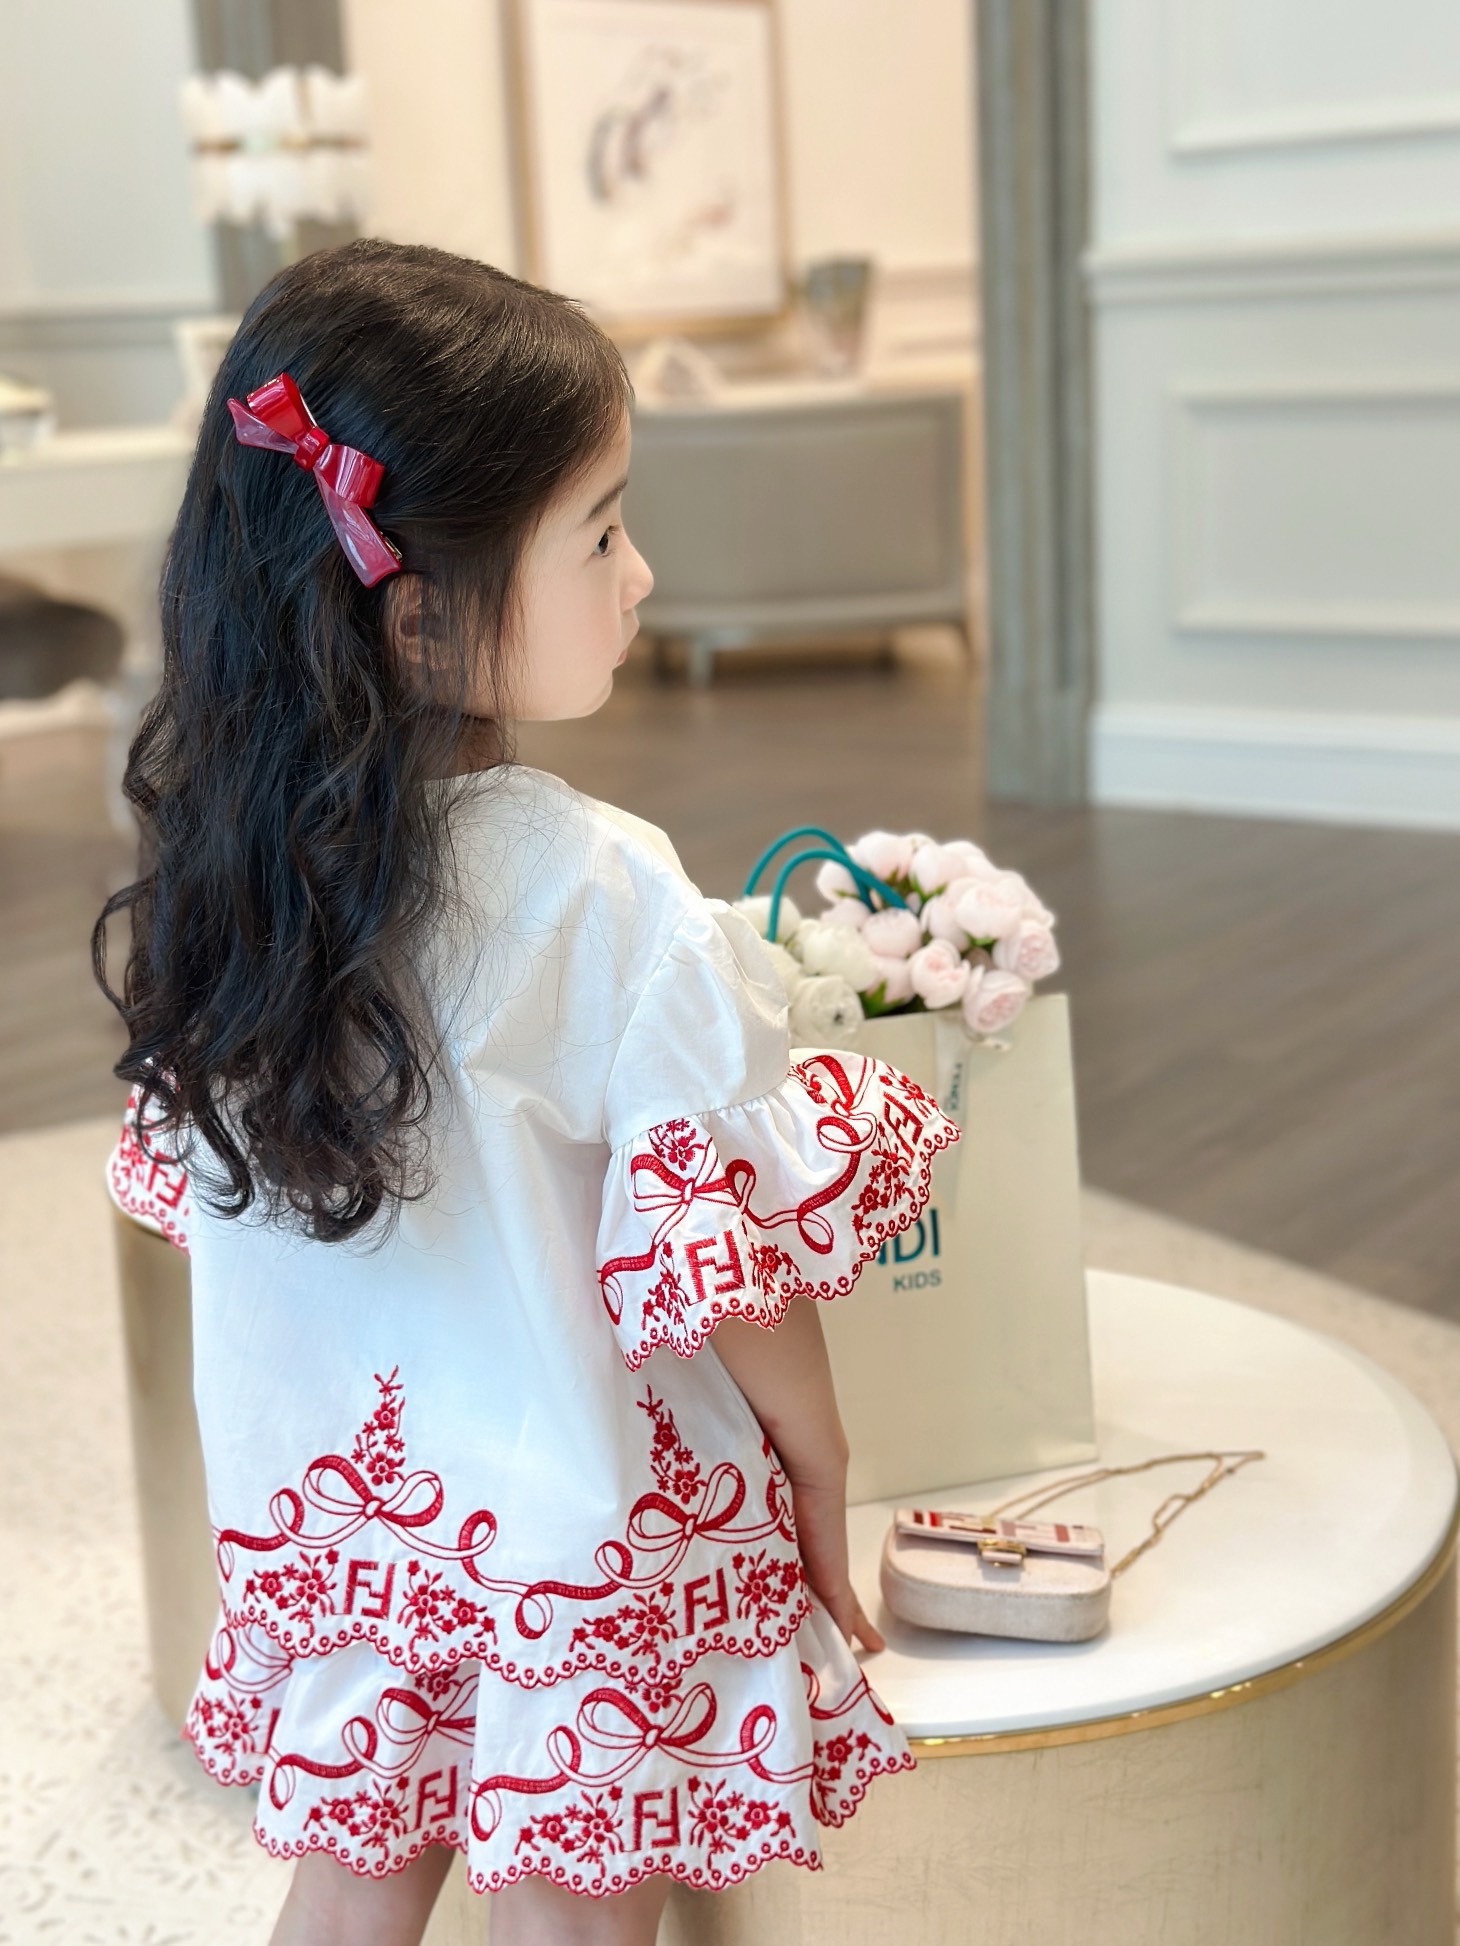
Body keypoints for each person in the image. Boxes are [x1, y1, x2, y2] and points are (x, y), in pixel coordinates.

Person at [96, 239, 958, 1946]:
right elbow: (731, 1268)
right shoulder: (604, 891)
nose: (643, 574)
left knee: (348, 1890)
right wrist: (819, 1451)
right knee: (572, 1905)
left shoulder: (226, 891)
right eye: (604, 530)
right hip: (583, 1528)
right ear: (420, 606)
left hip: (346, 1524)